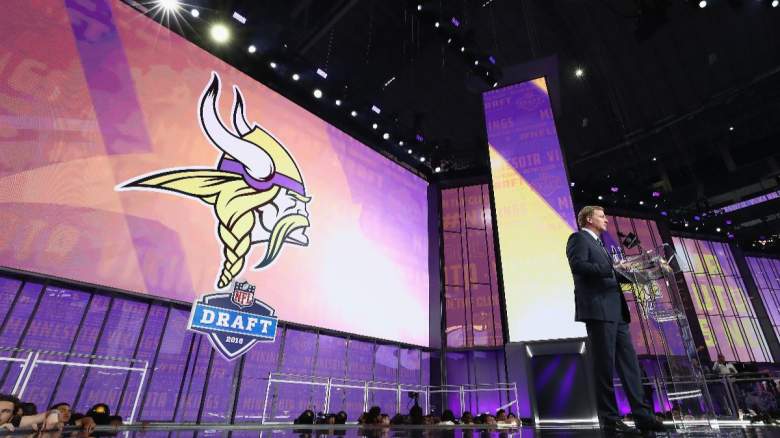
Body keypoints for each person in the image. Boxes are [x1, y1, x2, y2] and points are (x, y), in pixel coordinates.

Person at [566, 206, 666, 433]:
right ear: (589, 219)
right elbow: (578, 266)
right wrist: (612, 266)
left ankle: (643, 417)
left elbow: (613, 274)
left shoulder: (601, 245)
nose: (607, 220)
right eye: (602, 216)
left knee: (630, 366)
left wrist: (647, 274)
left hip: (617, 313)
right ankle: (610, 418)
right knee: (604, 366)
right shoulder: (578, 239)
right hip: (599, 311)